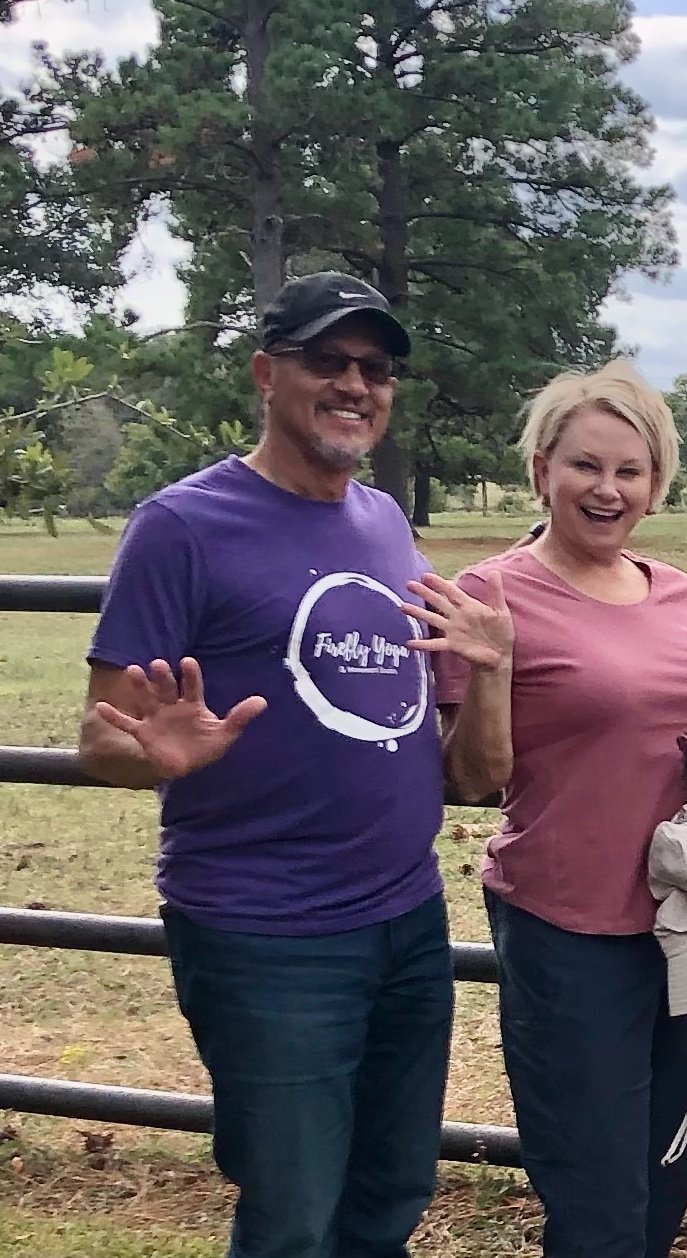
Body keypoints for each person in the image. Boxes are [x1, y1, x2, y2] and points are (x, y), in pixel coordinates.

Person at [78, 273, 454, 1258]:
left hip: (408, 917)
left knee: (391, 1189)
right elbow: (100, 736)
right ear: (264, 373)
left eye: (375, 368)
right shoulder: (183, 525)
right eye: (327, 361)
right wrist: (154, 754)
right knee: (292, 1216)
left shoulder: (383, 520)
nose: (355, 385)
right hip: (268, 934)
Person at [406, 360, 687, 1258]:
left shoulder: (676, 590)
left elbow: (686, 718)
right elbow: (469, 780)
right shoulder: (489, 595)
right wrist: (489, 672)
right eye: (585, 466)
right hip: (569, 927)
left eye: (629, 470)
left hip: (686, 918)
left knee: (665, 1176)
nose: (607, 489)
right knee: (596, 1201)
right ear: (541, 471)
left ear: (655, 484)